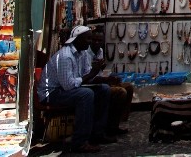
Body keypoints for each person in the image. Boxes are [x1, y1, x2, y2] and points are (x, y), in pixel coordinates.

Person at [38, 25, 114, 153]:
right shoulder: (65, 56)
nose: (90, 42)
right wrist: (91, 74)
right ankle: (79, 141)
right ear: (77, 40)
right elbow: (68, 85)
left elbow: (86, 74)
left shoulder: (82, 53)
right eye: (87, 39)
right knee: (86, 95)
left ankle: (97, 133)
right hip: (52, 93)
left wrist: (97, 73)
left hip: (65, 89)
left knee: (104, 89)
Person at [79, 27, 133, 135]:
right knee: (120, 92)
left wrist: (108, 76)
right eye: (94, 40)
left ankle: (115, 123)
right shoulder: (85, 53)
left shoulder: (100, 51)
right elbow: (88, 76)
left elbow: (98, 73)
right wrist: (105, 79)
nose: (96, 43)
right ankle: (105, 127)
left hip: (100, 81)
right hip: (90, 84)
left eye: (99, 41)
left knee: (129, 87)